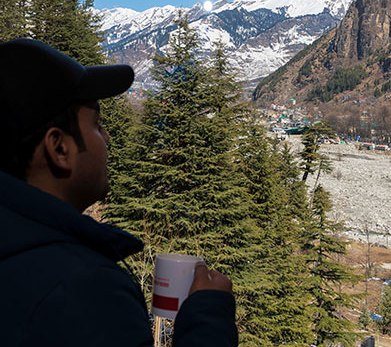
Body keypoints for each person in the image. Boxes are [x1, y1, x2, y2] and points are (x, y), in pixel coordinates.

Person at [0, 38, 238, 347]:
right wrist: (210, 317)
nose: (107, 137)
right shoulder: (83, 289)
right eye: (97, 125)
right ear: (59, 147)